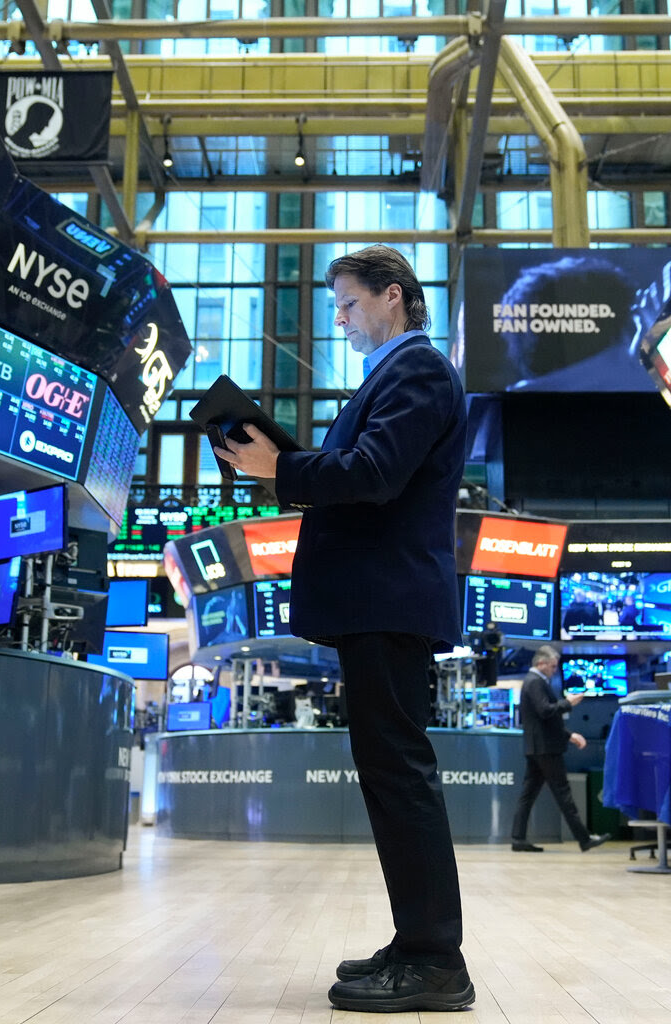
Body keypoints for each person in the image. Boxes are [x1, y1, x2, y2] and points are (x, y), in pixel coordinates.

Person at [213, 244, 473, 1013]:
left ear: (393, 297)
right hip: (377, 604)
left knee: (402, 777)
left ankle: (435, 960)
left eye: (349, 304)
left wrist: (280, 470)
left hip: (388, 603)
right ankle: (415, 941)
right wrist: (287, 465)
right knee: (392, 779)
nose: (338, 318)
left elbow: (373, 474)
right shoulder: (394, 375)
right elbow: (363, 471)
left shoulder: (418, 370)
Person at [510, 643, 610, 853]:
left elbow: (545, 720)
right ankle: (584, 839)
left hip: (537, 747)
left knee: (527, 795)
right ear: (541, 663)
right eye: (553, 667)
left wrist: (570, 735)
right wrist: (568, 702)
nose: (555, 671)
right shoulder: (535, 682)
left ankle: (518, 839)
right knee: (563, 795)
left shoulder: (533, 681)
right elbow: (546, 711)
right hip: (546, 749)